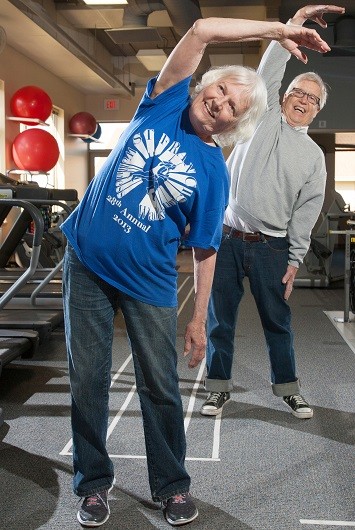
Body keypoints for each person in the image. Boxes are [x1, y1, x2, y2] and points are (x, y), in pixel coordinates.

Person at [60, 13, 332, 528]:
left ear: (236, 124)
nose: (222, 101)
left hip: (150, 283)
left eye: (234, 105)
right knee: (87, 379)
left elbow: (206, 250)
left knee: (160, 385)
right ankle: (93, 484)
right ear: (207, 84)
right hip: (87, 264)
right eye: (222, 89)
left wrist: (198, 319)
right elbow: (203, 30)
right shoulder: (163, 101)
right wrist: (277, 29)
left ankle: (171, 486)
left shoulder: (212, 171)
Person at [201, 4, 345, 422]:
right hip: (227, 238)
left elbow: (307, 211)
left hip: (272, 248)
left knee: (277, 324)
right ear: (283, 97)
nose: (303, 100)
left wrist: (296, 258)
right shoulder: (260, 119)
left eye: (312, 99)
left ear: (317, 110)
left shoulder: (314, 158)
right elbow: (270, 66)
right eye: (298, 92)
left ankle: (288, 390)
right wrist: (295, 23)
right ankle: (218, 389)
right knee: (219, 321)